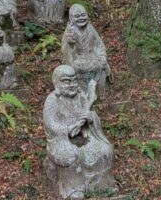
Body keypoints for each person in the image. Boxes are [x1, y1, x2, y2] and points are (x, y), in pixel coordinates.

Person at [42, 65, 114, 199]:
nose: (72, 85)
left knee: (105, 150)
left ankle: (102, 184)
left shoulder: (81, 97)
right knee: (69, 156)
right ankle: (74, 189)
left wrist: (90, 118)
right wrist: (68, 129)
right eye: (66, 81)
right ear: (57, 83)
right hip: (62, 140)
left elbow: (93, 117)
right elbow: (50, 124)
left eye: (74, 80)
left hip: (86, 135)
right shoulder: (52, 100)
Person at [61, 5, 112, 97]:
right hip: (77, 58)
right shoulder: (69, 32)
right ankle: (82, 95)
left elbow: (98, 45)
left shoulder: (90, 28)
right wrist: (70, 44)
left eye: (83, 15)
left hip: (92, 56)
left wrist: (102, 56)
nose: (81, 18)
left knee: (101, 65)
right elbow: (65, 52)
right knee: (76, 69)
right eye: (77, 16)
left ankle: (101, 93)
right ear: (71, 19)